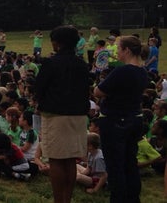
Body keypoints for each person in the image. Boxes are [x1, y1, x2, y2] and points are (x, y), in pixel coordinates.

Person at [35, 25, 90, 203]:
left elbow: (39, 88)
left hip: (55, 114)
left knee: (57, 160)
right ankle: (67, 198)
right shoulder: (82, 64)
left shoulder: (51, 63)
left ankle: (59, 200)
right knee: (70, 159)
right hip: (78, 115)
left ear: (57, 43)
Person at [93, 35, 149, 202]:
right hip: (134, 119)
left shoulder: (122, 70)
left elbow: (98, 92)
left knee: (115, 166)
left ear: (127, 50)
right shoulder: (142, 71)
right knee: (129, 163)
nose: (117, 52)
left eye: (119, 49)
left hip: (116, 121)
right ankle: (133, 198)